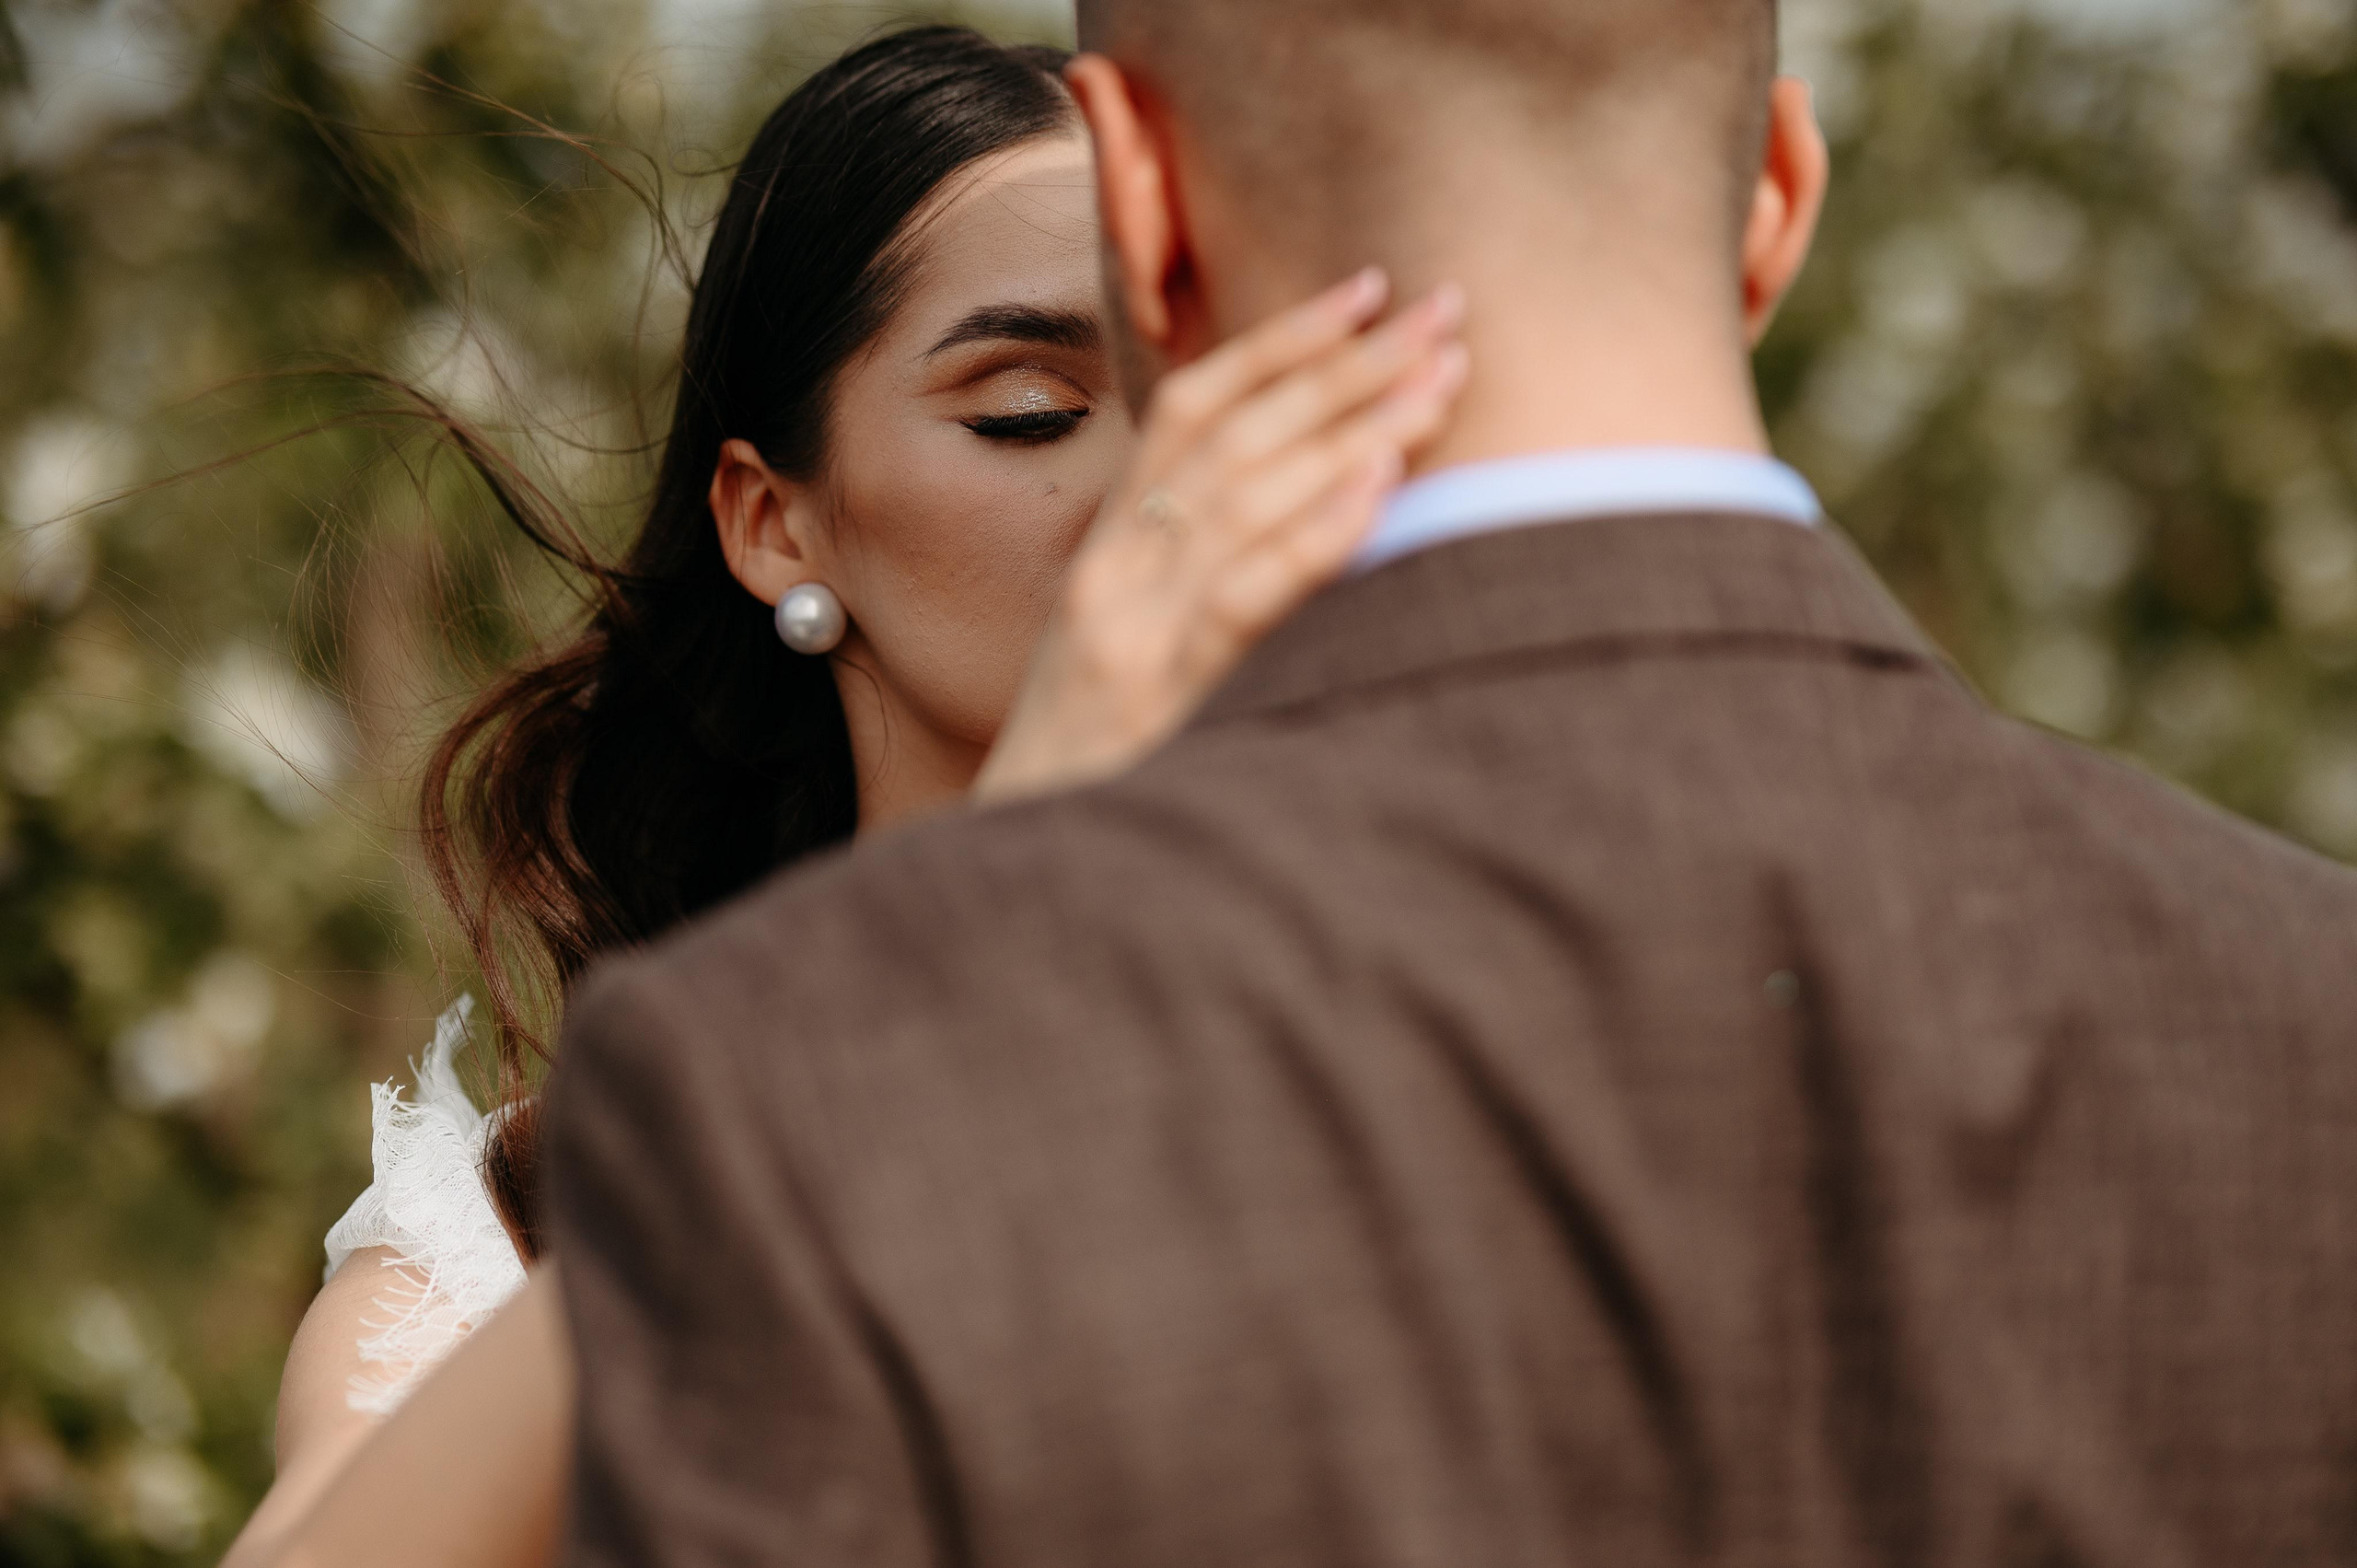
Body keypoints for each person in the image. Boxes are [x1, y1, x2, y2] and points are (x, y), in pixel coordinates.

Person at [531, 0, 2357, 1562]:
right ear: (1776, 198)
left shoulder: (812, 1092)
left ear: (1143, 211)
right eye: (1023, 418)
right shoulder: (2302, 1002)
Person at [225, 26, 1468, 1568]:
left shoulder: (1447, 1104)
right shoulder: (510, 1241)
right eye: (1033, 412)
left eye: (1220, 406)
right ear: (775, 524)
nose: (1164, 492)